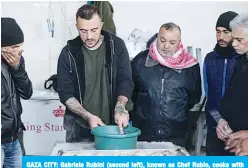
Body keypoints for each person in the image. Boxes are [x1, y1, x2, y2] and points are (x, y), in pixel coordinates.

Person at [57, 4, 133, 143]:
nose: (89, 36)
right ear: (76, 27)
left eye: (94, 30)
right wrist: (87, 116)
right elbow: (65, 93)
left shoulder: (117, 46)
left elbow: (126, 80)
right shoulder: (68, 53)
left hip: (115, 127)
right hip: (79, 129)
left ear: (101, 25)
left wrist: (120, 107)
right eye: (83, 31)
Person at [131, 22, 202, 147]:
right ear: (157, 37)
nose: (166, 46)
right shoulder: (140, 61)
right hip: (143, 135)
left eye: (172, 42)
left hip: (176, 137)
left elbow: (194, 98)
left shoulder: (190, 66)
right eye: (162, 40)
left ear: (179, 42)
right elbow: (132, 95)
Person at [203, 11, 239, 156]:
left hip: (238, 131)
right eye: (218, 32)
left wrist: (233, 125)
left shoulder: (242, 60)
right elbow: (209, 95)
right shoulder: (209, 59)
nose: (221, 37)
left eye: (226, 32)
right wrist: (218, 122)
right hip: (214, 128)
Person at [1, 17, 33, 167]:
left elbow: (27, 93)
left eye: (19, 46)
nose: (18, 51)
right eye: (13, 47)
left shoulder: (18, 61)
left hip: (14, 138)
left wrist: (17, 69)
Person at [216, 13, 248, 155]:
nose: (234, 43)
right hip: (235, 141)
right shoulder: (241, 61)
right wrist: (222, 119)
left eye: (239, 39)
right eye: (234, 39)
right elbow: (231, 96)